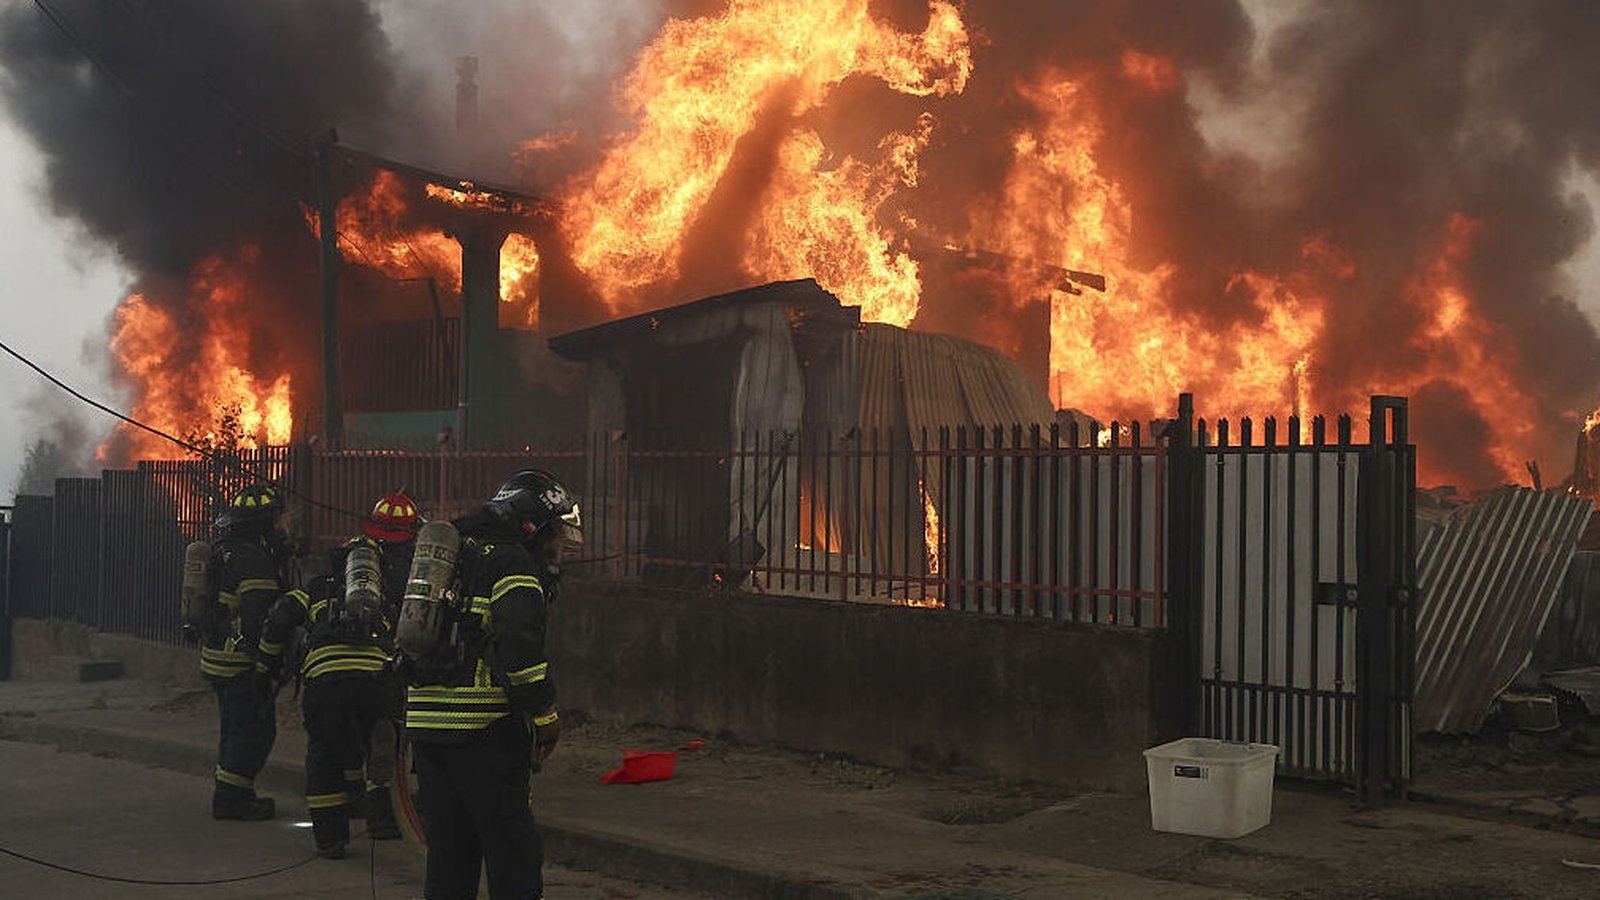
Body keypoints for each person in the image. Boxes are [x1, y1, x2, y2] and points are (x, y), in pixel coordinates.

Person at [403, 469, 580, 899]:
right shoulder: (513, 562)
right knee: (513, 856)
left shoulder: (456, 551)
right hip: (482, 732)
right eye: (557, 536)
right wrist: (544, 712)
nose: (560, 550)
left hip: (426, 730)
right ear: (534, 526)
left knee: (450, 857)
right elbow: (519, 648)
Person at [257, 492, 420, 858]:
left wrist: (263, 666)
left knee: (325, 757)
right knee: (381, 745)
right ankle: (382, 820)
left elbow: (280, 617)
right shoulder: (390, 590)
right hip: (377, 678)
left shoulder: (318, 586)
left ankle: (331, 838)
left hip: (326, 680)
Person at [203, 483, 290, 821]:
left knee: (235, 729)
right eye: (276, 520)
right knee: (254, 732)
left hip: (217, 656)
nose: (281, 527)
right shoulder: (253, 559)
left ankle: (233, 792)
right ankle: (231, 800)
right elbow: (258, 618)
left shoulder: (226, 550)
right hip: (240, 661)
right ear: (263, 523)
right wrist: (265, 664)